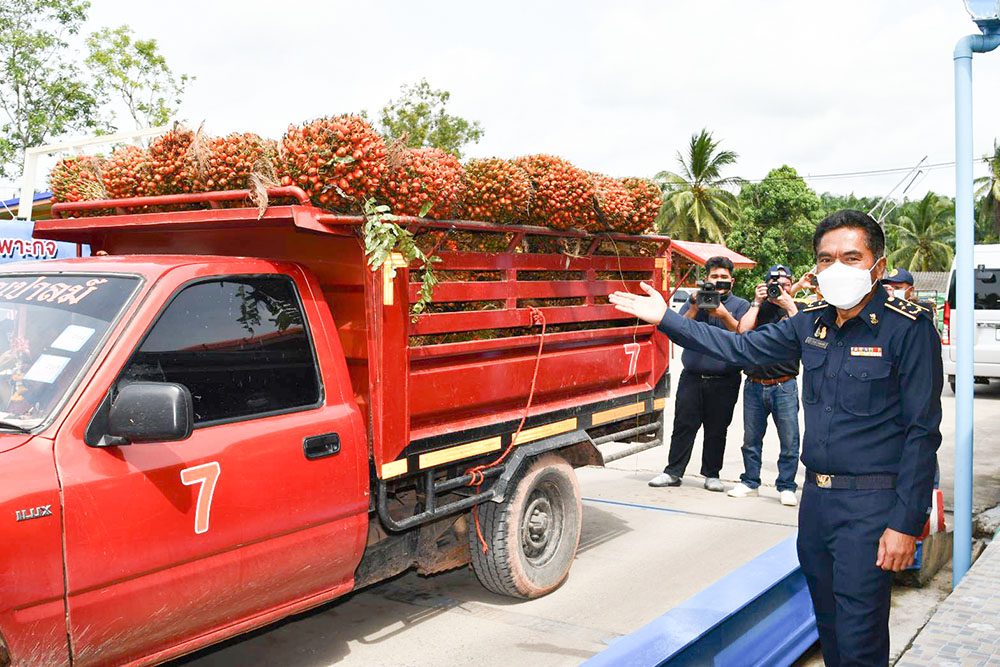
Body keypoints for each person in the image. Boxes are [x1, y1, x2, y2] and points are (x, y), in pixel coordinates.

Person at [610, 210, 942, 666]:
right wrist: (667, 318)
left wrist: (905, 523)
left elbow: (922, 432)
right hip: (817, 504)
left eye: (851, 257)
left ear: (877, 266)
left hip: (871, 507)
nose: (837, 268)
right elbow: (740, 347)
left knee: (860, 638)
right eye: (825, 259)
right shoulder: (810, 322)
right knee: (830, 629)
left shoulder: (908, 327)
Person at [648, 256, 750, 492]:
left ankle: (712, 474)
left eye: (724, 277)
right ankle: (673, 472)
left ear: (732, 281)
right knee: (683, 425)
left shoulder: (740, 305)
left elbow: (745, 335)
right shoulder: (695, 300)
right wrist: (695, 307)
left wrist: (724, 315)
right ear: (706, 279)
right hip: (692, 377)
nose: (719, 281)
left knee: (717, 429)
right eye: (714, 276)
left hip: (725, 380)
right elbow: (677, 329)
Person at [728, 265, 812, 507]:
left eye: (785, 284)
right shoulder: (758, 309)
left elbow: (805, 334)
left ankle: (786, 486)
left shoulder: (797, 309)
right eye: (775, 284)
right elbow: (742, 331)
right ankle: (750, 482)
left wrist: (789, 304)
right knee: (751, 440)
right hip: (754, 383)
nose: (780, 289)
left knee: (789, 441)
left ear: (791, 286)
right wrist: (756, 302)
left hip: (784, 385)